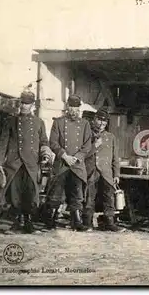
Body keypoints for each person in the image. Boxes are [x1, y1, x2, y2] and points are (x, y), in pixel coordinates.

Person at [0, 90, 51, 234]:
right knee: (15, 194)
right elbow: (3, 143)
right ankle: (16, 224)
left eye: (27, 103)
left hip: (32, 163)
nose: (24, 106)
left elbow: (44, 141)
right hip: (14, 163)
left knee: (31, 193)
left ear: (32, 105)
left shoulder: (39, 122)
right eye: (22, 103)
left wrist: (45, 154)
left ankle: (29, 224)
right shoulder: (11, 121)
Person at [43, 94, 92, 232]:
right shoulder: (58, 122)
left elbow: (87, 145)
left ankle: (76, 220)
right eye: (72, 107)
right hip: (62, 163)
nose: (74, 111)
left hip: (77, 164)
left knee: (77, 193)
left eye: (77, 108)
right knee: (56, 192)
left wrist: (76, 157)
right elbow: (53, 142)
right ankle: (50, 219)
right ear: (67, 107)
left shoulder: (85, 124)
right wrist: (64, 156)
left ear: (79, 109)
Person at [81, 108, 125, 232]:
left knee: (108, 197)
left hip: (106, 173)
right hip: (91, 171)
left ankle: (110, 223)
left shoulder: (111, 137)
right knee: (89, 197)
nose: (101, 124)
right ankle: (87, 222)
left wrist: (116, 174)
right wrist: (94, 146)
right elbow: (83, 154)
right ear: (94, 120)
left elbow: (115, 158)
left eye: (104, 122)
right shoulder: (86, 135)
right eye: (99, 120)